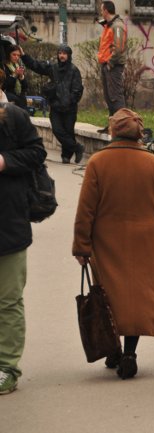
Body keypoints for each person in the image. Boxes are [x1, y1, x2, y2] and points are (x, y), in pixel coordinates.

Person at [72, 108, 154, 379]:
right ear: (139, 133)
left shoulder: (97, 162)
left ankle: (113, 350)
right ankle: (129, 352)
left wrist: (81, 246)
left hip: (105, 243)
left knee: (110, 295)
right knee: (138, 299)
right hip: (147, 241)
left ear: (112, 131)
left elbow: (86, 210)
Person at [0, 100, 48, 394]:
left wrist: (4, 161)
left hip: (8, 223)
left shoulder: (12, 115)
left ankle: (6, 367)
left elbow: (37, 152)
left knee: (7, 300)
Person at [21, 45, 85, 164]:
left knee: (68, 131)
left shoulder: (74, 70)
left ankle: (66, 156)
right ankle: (77, 147)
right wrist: (24, 56)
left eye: (64, 53)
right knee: (57, 130)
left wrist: (70, 101)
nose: (61, 55)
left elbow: (78, 89)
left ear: (69, 55)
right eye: (60, 53)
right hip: (55, 106)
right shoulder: (53, 68)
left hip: (69, 108)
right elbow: (37, 66)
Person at [96, 1, 127, 134]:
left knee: (116, 96)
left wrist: (110, 64)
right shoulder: (109, 25)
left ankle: (123, 126)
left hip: (113, 66)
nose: (100, 12)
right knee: (109, 96)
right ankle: (112, 125)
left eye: (102, 10)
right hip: (106, 65)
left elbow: (118, 48)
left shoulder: (117, 26)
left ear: (106, 11)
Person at [2, 44, 28, 110]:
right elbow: (3, 85)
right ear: (8, 54)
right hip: (7, 98)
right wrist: (14, 75)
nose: (16, 57)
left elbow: (25, 87)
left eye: (18, 55)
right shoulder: (3, 66)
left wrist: (21, 76)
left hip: (19, 98)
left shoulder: (17, 65)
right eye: (14, 54)